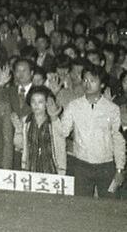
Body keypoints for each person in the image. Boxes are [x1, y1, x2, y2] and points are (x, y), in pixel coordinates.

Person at [48, 66, 125, 198]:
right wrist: (54, 118)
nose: (87, 84)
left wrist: (119, 169)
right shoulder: (74, 106)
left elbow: (118, 140)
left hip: (106, 166)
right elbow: (63, 132)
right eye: (85, 80)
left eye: (92, 81)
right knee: (81, 206)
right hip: (81, 165)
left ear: (102, 84)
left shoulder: (112, 109)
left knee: (108, 207)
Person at [12, 86, 66, 175]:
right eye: (33, 101)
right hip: (30, 168)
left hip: (50, 169)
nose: (36, 105)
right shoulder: (25, 121)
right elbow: (19, 146)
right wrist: (18, 130)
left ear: (46, 104)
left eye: (40, 102)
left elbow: (60, 146)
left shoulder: (53, 121)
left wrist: (62, 170)